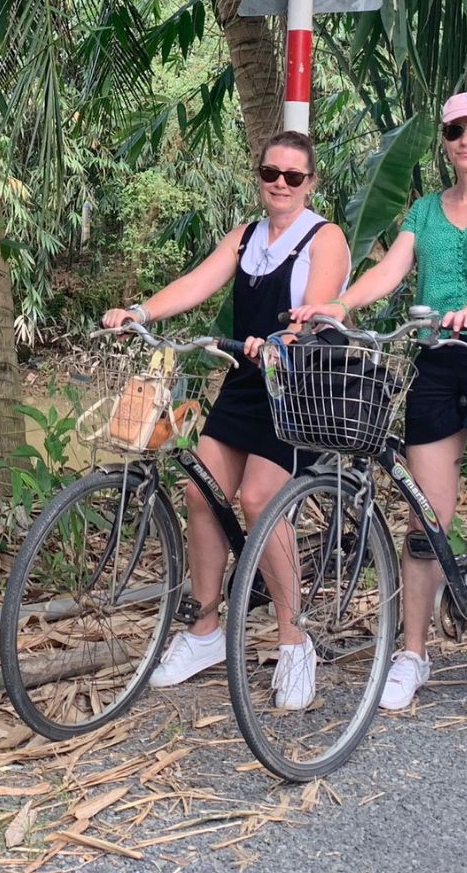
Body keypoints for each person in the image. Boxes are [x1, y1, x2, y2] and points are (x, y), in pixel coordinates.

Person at [289, 91, 467, 748]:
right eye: (454, 129)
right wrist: (337, 306)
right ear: (444, 138)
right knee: (424, 516)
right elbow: (391, 271)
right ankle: (412, 653)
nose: (465, 139)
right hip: (438, 359)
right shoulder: (423, 209)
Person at [101, 131, 349, 709]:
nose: (280, 184)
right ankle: (205, 630)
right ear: (259, 176)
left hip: (299, 386)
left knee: (261, 499)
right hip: (245, 378)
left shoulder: (325, 237)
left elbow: (316, 306)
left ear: (310, 183)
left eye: (293, 176)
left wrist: (287, 337)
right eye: (270, 173)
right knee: (201, 490)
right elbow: (198, 281)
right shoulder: (244, 237)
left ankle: (294, 641)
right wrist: (140, 312)